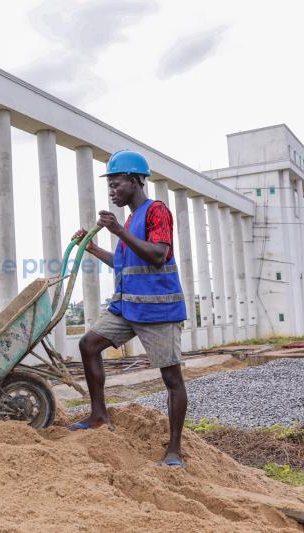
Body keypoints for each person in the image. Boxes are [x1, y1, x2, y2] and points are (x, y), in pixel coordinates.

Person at [70, 150, 189, 468]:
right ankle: (98, 415)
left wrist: (118, 232)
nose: (111, 191)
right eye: (109, 185)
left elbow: (159, 255)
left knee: (172, 379)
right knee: (88, 345)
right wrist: (93, 247)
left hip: (158, 311)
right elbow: (124, 263)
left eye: (116, 183)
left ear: (136, 182)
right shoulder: (131, 220)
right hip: (128, 307)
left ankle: (175, 449)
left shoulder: (156, 212)